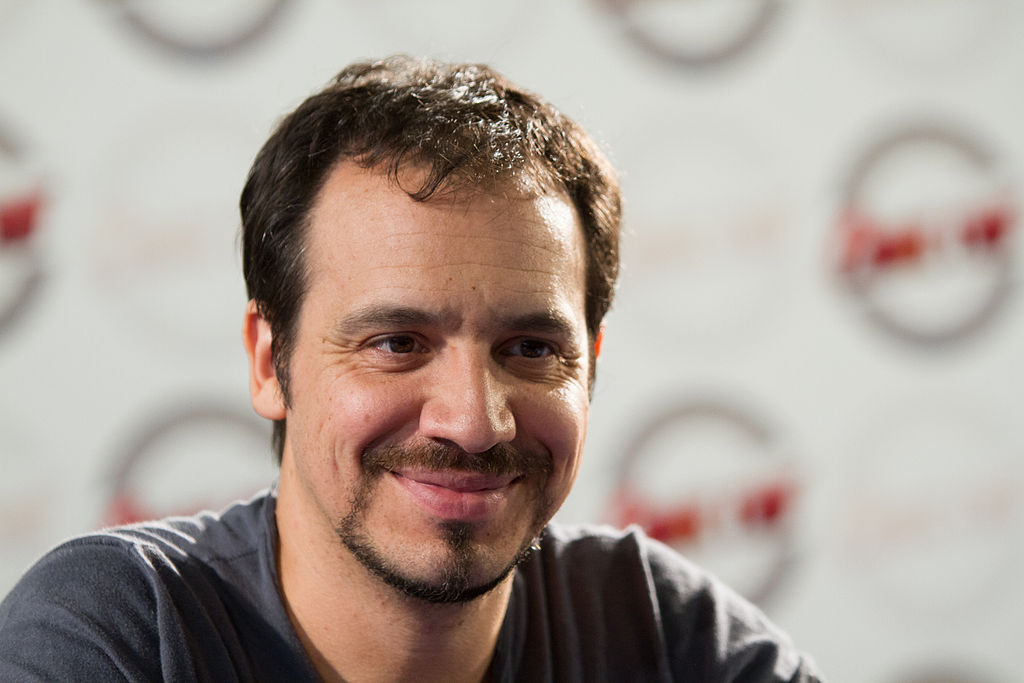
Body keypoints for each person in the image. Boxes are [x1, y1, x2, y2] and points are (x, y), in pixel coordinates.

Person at [0, 56, 821, 682]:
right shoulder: (122, 631)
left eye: (531, 349)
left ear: (591, 365)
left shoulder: (666, 635)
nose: (473, 420)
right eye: (397, 342)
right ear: (269, 359)